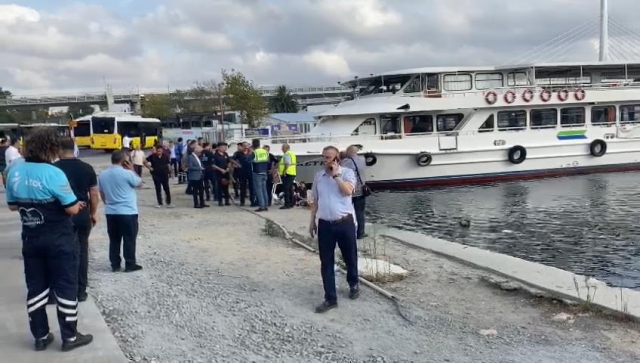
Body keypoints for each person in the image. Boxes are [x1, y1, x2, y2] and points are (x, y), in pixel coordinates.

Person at [6, 127, 93, 351]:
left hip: (31, 238)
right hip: (59, 239)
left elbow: (13, 205)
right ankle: (70, 337)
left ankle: (41, 336)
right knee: (65, 286)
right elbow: (72, 209)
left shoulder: (15, 170)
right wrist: (78, 205)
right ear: (52, 148)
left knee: (36, 288)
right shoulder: (53, 173)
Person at [309, 146, 359, 314]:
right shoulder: (319, 176)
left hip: (344, 222)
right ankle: (330, 298)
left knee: (350, 256)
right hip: (325, 224)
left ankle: (353, 283)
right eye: (324, 157)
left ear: (337, 158)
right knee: (326, 262)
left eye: (329, 157)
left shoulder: (347, 173)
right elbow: (315, 199)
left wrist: (336, 176)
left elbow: (348, 192)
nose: (325, 160)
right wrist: (312, 221)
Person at [54, 137, 99, 303]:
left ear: (59, 149)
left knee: (59, 253)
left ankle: (62, 290)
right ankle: (81, 291)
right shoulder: (87, 168)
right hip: (82, 214)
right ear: (74, 149)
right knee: (82, 251)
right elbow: (94, 194)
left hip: (60, 216)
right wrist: (93, 213)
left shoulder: (53, 169)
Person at [98, 150, 143, 273]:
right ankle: (130, 263)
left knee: (114, 239)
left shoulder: (103, 174)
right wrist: (133, 169)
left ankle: (115, 264)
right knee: (129, 238)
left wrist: (108, 203)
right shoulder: (127, 174)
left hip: (111, 211)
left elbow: (101, 193)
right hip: (127, 211)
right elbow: (139, 184)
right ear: (124, 161)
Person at [341, 145, 368, 239]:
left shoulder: (346, 162)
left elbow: (341, 172)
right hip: (361, 190)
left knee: (346, 212)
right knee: (360, 212)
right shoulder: (362, 160)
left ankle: (348, 232)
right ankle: (361, 232)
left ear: (349, 152)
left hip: (350, 191)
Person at [251, 139, 270, 212]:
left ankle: (261, 206)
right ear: (259, 144)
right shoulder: (265, 151)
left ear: (253, 145)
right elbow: (268, 161)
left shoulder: (254, 152)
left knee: (259, 191)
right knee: (264, 189)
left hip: (257, 173)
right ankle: (266, 205)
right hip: (264, 172)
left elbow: (247, 160)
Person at [212, 142, 231, 206]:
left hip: (226, 173)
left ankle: (227, 201)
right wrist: (221, 170)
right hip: (219, 174)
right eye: (223, 147)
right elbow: (213, 165)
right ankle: (220, 201)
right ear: (219, 147)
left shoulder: (226, 154)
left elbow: (229, 162)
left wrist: (228, 167)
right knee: (219, 188)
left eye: (225, 147)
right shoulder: (215, 155)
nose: (224, 148)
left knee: (226, 187)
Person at [278, 143, 297, 210]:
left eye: (282, 148)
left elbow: (287, 163)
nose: (281, 149)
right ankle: (291, 203)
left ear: (285, 148)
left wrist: (284, 172)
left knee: (286, 189)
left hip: (287, 174)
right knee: (290, 189)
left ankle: (287, 204)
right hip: (292, 173)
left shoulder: (287, 154)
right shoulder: (292, 154)